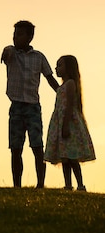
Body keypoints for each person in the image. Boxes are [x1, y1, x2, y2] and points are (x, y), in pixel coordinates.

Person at [1, 20, 59, 188]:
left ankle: (40, 183)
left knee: (37, 145)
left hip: (33, 106)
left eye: (19, 34)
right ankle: (17, 185)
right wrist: (6, 51)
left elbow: (49, 78)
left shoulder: (38, 57)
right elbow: (6, 54)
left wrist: (61, 93)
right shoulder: (12, 53)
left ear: (29, 37)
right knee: (15, 147)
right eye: (14, 34)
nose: (15, 37)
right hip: (16, 106)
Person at [44, 55, 95, 191]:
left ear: (69, 68)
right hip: (61, 122)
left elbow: (69, 106)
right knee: (64, 157)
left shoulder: (71, 84)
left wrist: (65, 125)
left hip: (69, 123)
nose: (57, 68)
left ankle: (80, 184)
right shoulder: (62, 86)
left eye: (60, 65)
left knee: (72, 157)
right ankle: (68, 184)